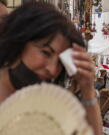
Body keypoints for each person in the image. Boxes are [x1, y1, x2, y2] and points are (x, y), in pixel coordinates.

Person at [0, 2, 102, 135]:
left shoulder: (49, 104)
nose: (53, 70)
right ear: (19, 42)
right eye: (46, 52)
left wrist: (87, 90)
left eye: (60, 61)